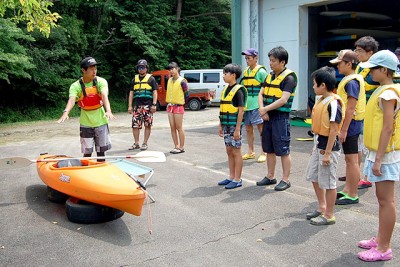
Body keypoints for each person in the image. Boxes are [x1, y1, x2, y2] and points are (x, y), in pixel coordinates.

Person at [356, 50, 400, 262]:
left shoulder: (388, 93)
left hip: (386, 154)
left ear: (384, 70)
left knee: (386, 201)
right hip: (380, 152)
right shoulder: (385, 90)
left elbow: (388, 129)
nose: (370, 72)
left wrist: (379, 159)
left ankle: (384, 248)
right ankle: (381, 239)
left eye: (373, 68)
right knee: (382, 200)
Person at [305, 66, 344, 225]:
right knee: (314, 176)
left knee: (329, 183)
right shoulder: (321, 100)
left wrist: (327, 153)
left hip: (329, 148)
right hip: (319, 145)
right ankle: (322, 207)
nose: (313, 87)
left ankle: (329, 215)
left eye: (315, 84)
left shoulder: (333, 103)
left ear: (323, 85)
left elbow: (334, 129)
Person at [58, 56, 115, 161]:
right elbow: (71, 100)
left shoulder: (101, 82)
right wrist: (66, 112)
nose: (94, 71)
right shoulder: (76, 86)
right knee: (87, 152)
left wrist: (108, 110)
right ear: (83, 70)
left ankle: (101, 170)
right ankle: (85, 172)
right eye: (91, 68)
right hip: (86, 122)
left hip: (101, 121)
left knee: (101, 152)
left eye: (95, 68)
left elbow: (104, 95)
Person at [257, 46, 297, 191]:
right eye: (270, 60)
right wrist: (263, 110)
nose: (270, 63)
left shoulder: (289, 78)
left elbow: (283, 100)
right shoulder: (269, 76)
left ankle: (285, 180)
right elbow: (261, 94)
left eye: (273, 61)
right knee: (269, 149)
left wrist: (265, 109)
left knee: (283, 149)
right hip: (267, 116)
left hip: (280, 117)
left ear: (283, 62)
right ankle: (270, 176)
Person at [342, 36, 380, 189]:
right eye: (356, 50)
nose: (356, 54)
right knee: (358, 146)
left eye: (359, 51)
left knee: (371, 146)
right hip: (362, 113)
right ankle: (354, 174)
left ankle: (367, 177)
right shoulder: (359, 67)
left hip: (375, 113)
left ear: (370, 52)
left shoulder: (377, 69)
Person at [329, 50, 366, 205]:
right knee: (350, 160)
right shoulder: (350, 79)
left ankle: (352, 194)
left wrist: (343, 129)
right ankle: (346, 190)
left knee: (352, 161)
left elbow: (351, 108)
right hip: (351, 124)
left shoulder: (351, 82)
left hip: (351, 125)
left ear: (349, 64)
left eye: (340, 63)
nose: (338, 66)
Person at [217, 63, 247, 189]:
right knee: (229, 151)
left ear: (233, 75)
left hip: (234, 126)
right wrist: (220, 125)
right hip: (226, 125)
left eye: (226, 73)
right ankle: (231, 176)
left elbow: (241, 110)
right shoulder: (225, 90)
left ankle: (237, 179)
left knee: (236, 151)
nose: (223, 75)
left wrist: (237, 129)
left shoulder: (238, 90)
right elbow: (222, 109)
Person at [241, 48, 268, 163]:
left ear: (256, 58)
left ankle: (264, 152)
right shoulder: (246, 72)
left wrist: (264, 106)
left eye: (249, 58)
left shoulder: (261, 72)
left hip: (257, 105)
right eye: (246, 58)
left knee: (261, 129)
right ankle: (250, 151)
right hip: (247, 105)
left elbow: (267, 88)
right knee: (248, 129)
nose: (247, 60)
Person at [127, 59, 158, 151]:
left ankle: (145, 143)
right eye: (139, 67)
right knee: (135, 125)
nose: (141, 69)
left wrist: (154, 104)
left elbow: (155, 92)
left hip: (148, 105)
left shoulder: (151, 79)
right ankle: (136, 143)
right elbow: (131, 93)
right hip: (137, 106)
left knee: (147, 125)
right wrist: (130, 106)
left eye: (143, 67)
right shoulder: (134, 80)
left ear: (146, 68)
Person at [166, 62, 188, 154]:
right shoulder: (169, 80)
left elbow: (186, 94)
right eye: (170, 69)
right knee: (172, 127)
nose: (171, 71)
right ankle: (176, 146)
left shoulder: (183, 81)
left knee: (179, 127)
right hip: (170, 106)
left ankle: (181, 147)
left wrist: (184, 105)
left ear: (177, 69)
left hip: (179, 106)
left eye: (173, 69)